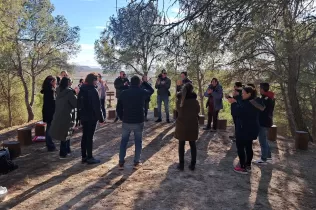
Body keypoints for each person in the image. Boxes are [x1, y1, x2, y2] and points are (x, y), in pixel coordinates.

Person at [116, 76, 154, 170]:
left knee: (124, 142)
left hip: (126, 120)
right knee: (138, 142)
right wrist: (145, 82)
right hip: (138, 120)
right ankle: (136, 162)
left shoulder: (124, 93)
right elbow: (151, 90)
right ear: (139, 83)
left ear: (130, 83)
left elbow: (118, 107)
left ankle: (121, 162)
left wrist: (121, 117)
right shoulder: (141, 92)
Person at [228, 86, 264, 174]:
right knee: (248, 146)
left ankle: (243, 167)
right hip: (251, 128)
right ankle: (248, 165)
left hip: (243, 128)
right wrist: (236, 101)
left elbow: (237, 112)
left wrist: (233, 103)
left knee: (240, 147)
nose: (242, 95)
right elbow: (242, 106)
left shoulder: (248, 104)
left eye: (243, 93)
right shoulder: (254, 102)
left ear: (249, 94)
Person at [78, 73, 105, 164]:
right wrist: (101, 118)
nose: (97, 81)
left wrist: (79, 117)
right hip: (91, 117)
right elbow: (97, 107)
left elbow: (78, 104)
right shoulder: (93, 90)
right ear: (93, 80)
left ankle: (84, 157)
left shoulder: (82, 89)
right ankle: (90, 157)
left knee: (84, 136)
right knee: (89, 137)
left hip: (83, 117)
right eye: (96, 80)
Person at [50, 77, 77, 159]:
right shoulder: (69, 92)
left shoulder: (57, 91)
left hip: (58, 114)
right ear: (67, 83)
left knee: (65, 133)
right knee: (65, 134)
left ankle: (67, 150)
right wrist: (76, 94)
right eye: (70, 82)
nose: (71, 83)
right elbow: (75, 104)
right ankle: (63, 153)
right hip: (67, 115)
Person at [175, 83, 200, 171]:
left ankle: (181, 165)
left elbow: (178, 111)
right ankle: (193, 165)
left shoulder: (179, 101)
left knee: (181, 145)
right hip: (192, 125)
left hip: (181, 125)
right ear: (192, 90)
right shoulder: (195, 101)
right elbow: (197, 111)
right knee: (192, 145)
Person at [254, 83, 275, 164]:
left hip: (264, 122)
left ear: (262, 89)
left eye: (260, 88)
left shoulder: (266, 99)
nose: (259, 90)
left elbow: (262, 108)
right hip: (267, 121)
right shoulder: (270, 97)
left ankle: (263, 159)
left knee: (262, 140)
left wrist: (253, 102)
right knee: (264, 139)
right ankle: (268, 156)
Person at [41, 76, 57, 152]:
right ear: (51, 82)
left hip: (47, 111)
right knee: (49, 129)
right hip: (50, 112)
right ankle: (50, 145)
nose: (56, 82)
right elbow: (53, 102)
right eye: (55, 81)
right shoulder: (51, 91)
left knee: (49, 128)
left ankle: (49, 144)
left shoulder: (47, 90)